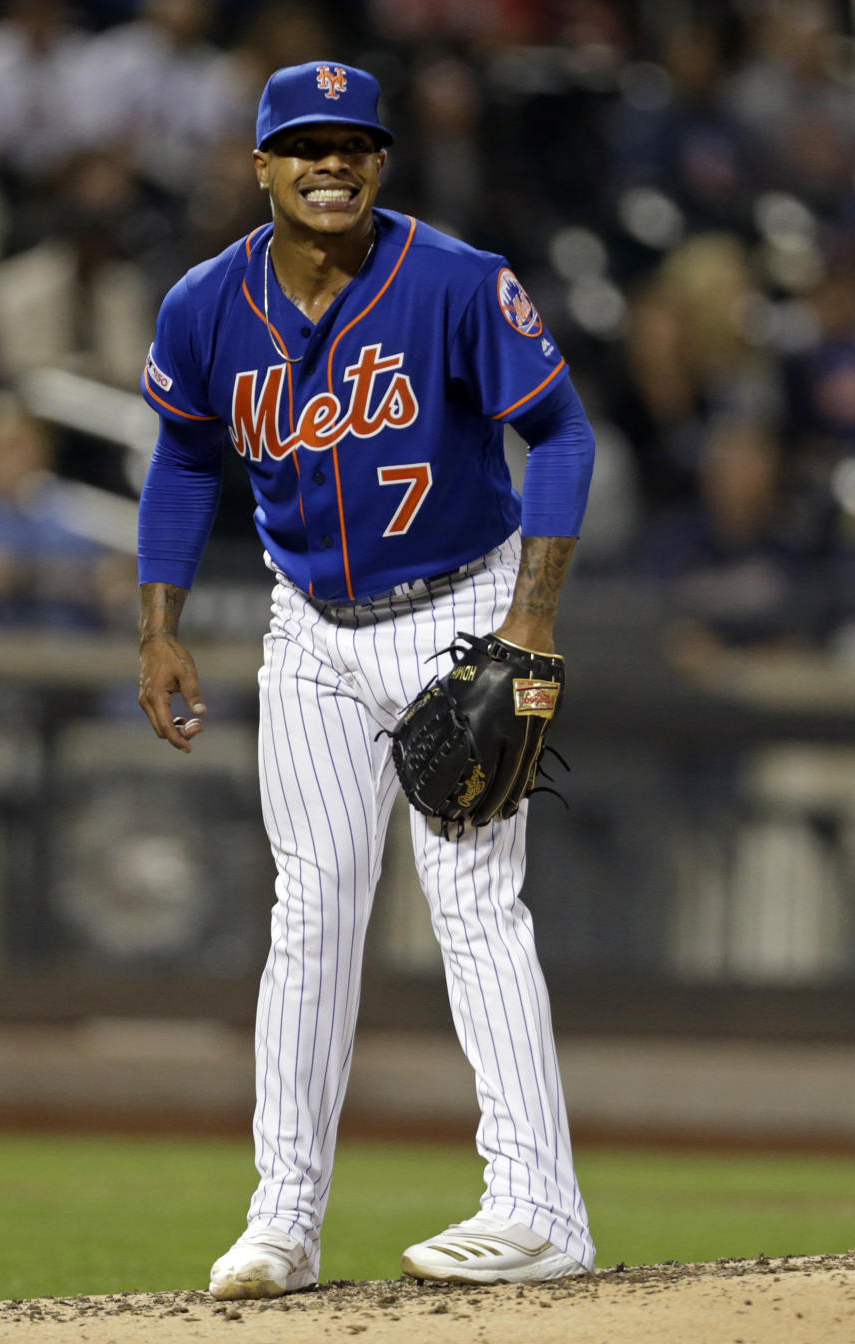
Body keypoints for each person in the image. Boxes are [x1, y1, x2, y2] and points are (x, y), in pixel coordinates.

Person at [137, 60, 597, 1299]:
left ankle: (540, 1208)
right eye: (306, 145)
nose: (331, 164)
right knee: (312, 916)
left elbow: (561, 431)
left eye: (354, 144)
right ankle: (283, 1221)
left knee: (476, 909)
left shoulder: (452, 279)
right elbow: (185, 461)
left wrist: (532, 623)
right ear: (263, 166)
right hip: (310, 633)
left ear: (381, 161)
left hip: (462, 614)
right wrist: (159, 622)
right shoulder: (204, 304)